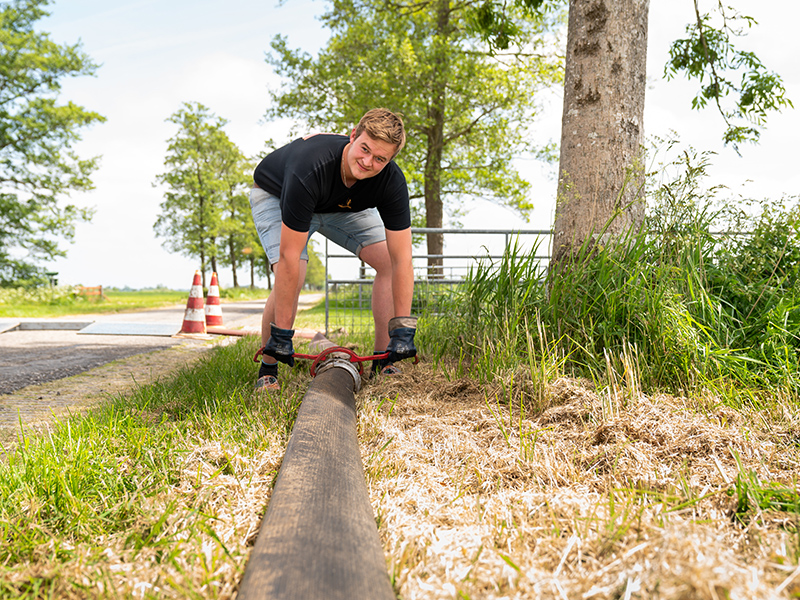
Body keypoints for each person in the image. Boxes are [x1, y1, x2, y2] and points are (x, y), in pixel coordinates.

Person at [249, 108, 418, 391]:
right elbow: (289, 257)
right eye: (364, 149)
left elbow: (403, 259)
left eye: (380, 159)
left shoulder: (391, 182)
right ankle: (269, 369)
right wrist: (283, 333)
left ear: (390, 161)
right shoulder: (309, 167)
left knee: (387, 261)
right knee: (294, 271)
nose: (367, 162)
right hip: (278, 194)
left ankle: (384, 361)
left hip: (342, 204)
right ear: (352, 136)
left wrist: (402, 330)